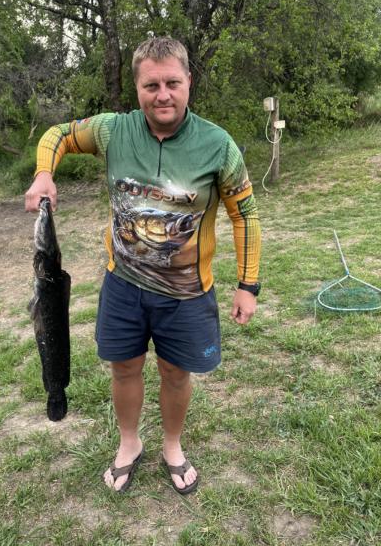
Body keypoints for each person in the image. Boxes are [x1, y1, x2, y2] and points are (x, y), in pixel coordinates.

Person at [25, 37, 261, 494]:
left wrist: (248, 284)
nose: (163, 94)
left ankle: (172, 445)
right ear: (137, 87)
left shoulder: (218, 145)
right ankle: (129, 443)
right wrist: (44, 172)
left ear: (188, 81)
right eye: (151, 85)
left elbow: (245, 215)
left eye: (172, 82)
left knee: (175, 373)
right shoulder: (114, 130)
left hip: (186, 293)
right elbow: (59, 134)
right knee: (124, 369)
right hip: (123, 285)